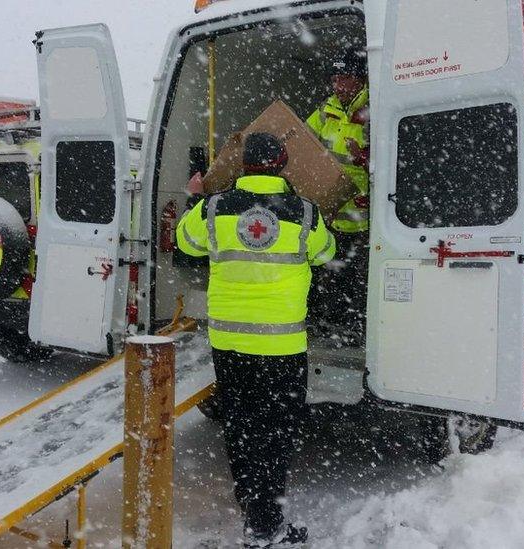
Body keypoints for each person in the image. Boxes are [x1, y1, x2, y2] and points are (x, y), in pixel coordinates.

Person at [177, 132, 335, 547]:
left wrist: (195, 196)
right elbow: (325, 253)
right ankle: (267, 526)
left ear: (243, 164)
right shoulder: (304, 213)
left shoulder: (213, 209)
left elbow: (184, 243)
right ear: (282, 164)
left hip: (230, 342)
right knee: (275, 433)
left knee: (242, 430)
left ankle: (255, 516)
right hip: (281, 346)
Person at [306, 47, 370, 344]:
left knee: (360, 281)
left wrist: (365, 158)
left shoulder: (374, 108)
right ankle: (327, 324)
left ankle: (356, 329)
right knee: (328, 275)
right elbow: (301, 141)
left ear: (358, 80)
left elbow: (399, 158)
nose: (337, 86)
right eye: (335, 80)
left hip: (365, 219)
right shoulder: (325, 111)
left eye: (343, 79)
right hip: (330, 214)